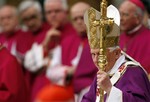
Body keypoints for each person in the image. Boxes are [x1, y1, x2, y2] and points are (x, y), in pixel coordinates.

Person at [82, 3, 150, 101]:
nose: (97, 60)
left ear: (117, 53)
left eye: (101, 54)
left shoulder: (133, 72)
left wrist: (109, 89)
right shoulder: (103, 72)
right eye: (93, 54)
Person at [24, 0, 81, 101]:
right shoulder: (42, 35)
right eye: (49, 12)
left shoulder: (76, 32)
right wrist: (45, 43)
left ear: (66, 12)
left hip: (67, 90)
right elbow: (30, 65)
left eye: (57, 11)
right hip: (42, 90)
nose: (53, 15)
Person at [70, 2, 98, 102]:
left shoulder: (100, 40)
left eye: (82, 18)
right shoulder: (66, 41)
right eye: (75, 19)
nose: (79, 22)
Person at [119, 0, 150, 76]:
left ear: (138, 18)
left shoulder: (148, 38)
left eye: (125, 15)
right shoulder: (118, 38)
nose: (120, 18)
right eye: (120, 14)